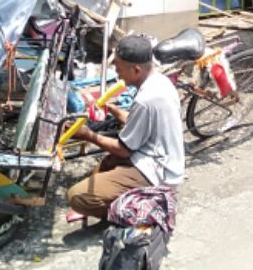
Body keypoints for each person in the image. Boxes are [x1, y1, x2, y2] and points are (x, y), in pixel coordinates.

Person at [66, 34, 185, 219]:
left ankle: (139, 212)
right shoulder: (160, 82)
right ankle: (112, 199)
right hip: (154, 154)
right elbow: (138, 120)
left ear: (136, 70)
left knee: (76, 196)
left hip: (157, 170)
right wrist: (112, 108)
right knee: (105, 165)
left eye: (119, 68)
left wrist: (87, 135)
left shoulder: (147, 99)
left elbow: (123, 150)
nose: (117, 73)